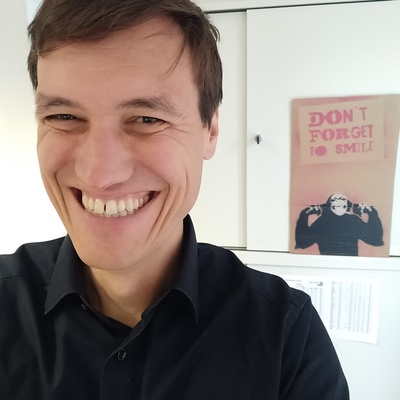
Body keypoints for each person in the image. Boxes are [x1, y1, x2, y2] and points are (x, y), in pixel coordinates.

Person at [0, 0, 349, 398]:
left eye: (148, 119)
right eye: (63, 116)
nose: (100, 174)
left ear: (210, 130)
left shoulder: (285, 336)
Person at [295, 193, 384, 256]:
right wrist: (304, 215)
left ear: (347, 205)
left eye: (342, 199)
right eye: (334, 200)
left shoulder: (353, 220)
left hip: (349, 264)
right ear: (329, 205)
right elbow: (302, 243)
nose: (338, 201)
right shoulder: (322, 222)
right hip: (327, 264)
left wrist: (372, 213)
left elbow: (375, 240)